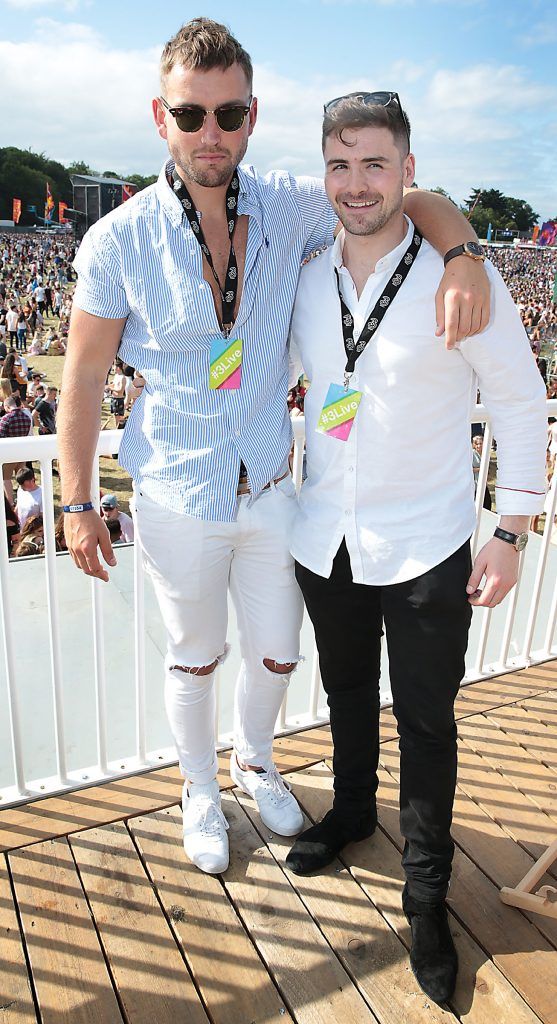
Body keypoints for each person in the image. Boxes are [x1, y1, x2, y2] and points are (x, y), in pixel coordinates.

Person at [58, 18, 490, 877]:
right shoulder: (121, 238)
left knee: (278, 651)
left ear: (252, 116)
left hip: (270, 488)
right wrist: (75, 503)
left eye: (229, 114)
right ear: (161, 117)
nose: (210, 133)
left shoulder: (290, 202)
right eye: (191, 116)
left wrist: (466, 250)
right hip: (179, 491)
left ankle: (252, 761)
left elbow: (412, 194)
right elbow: (79, 379)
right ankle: (197, 790)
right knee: (193, 656)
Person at [284, 93, 547, 1005]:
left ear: (407, 169)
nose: (356, 183)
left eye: (373, 163)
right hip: (326, 534)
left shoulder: (457, 276)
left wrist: (511, 527)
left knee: (428, 724)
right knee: (345, 690)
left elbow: (518, 403)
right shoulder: (308, 278)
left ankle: (426, 897)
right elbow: (263, 373)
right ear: (325, 174)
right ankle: (353, 812)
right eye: (339, 165)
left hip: (430, 540)